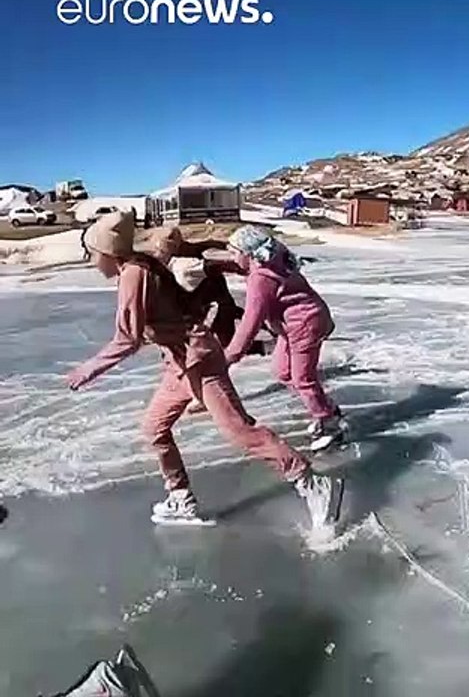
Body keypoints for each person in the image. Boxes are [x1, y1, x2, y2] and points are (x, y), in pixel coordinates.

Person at [64, 212, 342, 530]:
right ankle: (181, 498)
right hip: (179, 363)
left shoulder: (133, 274)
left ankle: (313, 484)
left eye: (93, 254)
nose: (92, 262)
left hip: (198, 360)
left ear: (108, 252)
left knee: (240, 430)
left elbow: (128, 338)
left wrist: (88, 370)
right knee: (154, 428)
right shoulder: (142, 264)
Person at [220, 225, 347, 452]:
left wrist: (229, 356)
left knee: (302, 379)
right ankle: (327, 408)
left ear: (247, 253)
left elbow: (250, 323)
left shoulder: (261, 278)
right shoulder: (270, 260)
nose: (231, 257)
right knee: (282, 372)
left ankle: (330, 424)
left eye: (233, 252)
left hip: (305, 324)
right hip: (294, 326)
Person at [144, 226, 270, 415]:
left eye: (160, 251)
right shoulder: (167, 264)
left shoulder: (183, 265)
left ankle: (268, 346)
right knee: (193, 356)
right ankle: (202, 396)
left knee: (223, 349)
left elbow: (214, 265)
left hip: (217, 305)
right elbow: (209, 245)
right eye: (155, 251)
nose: (157, 255)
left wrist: (249, 269)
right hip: (202, 308)